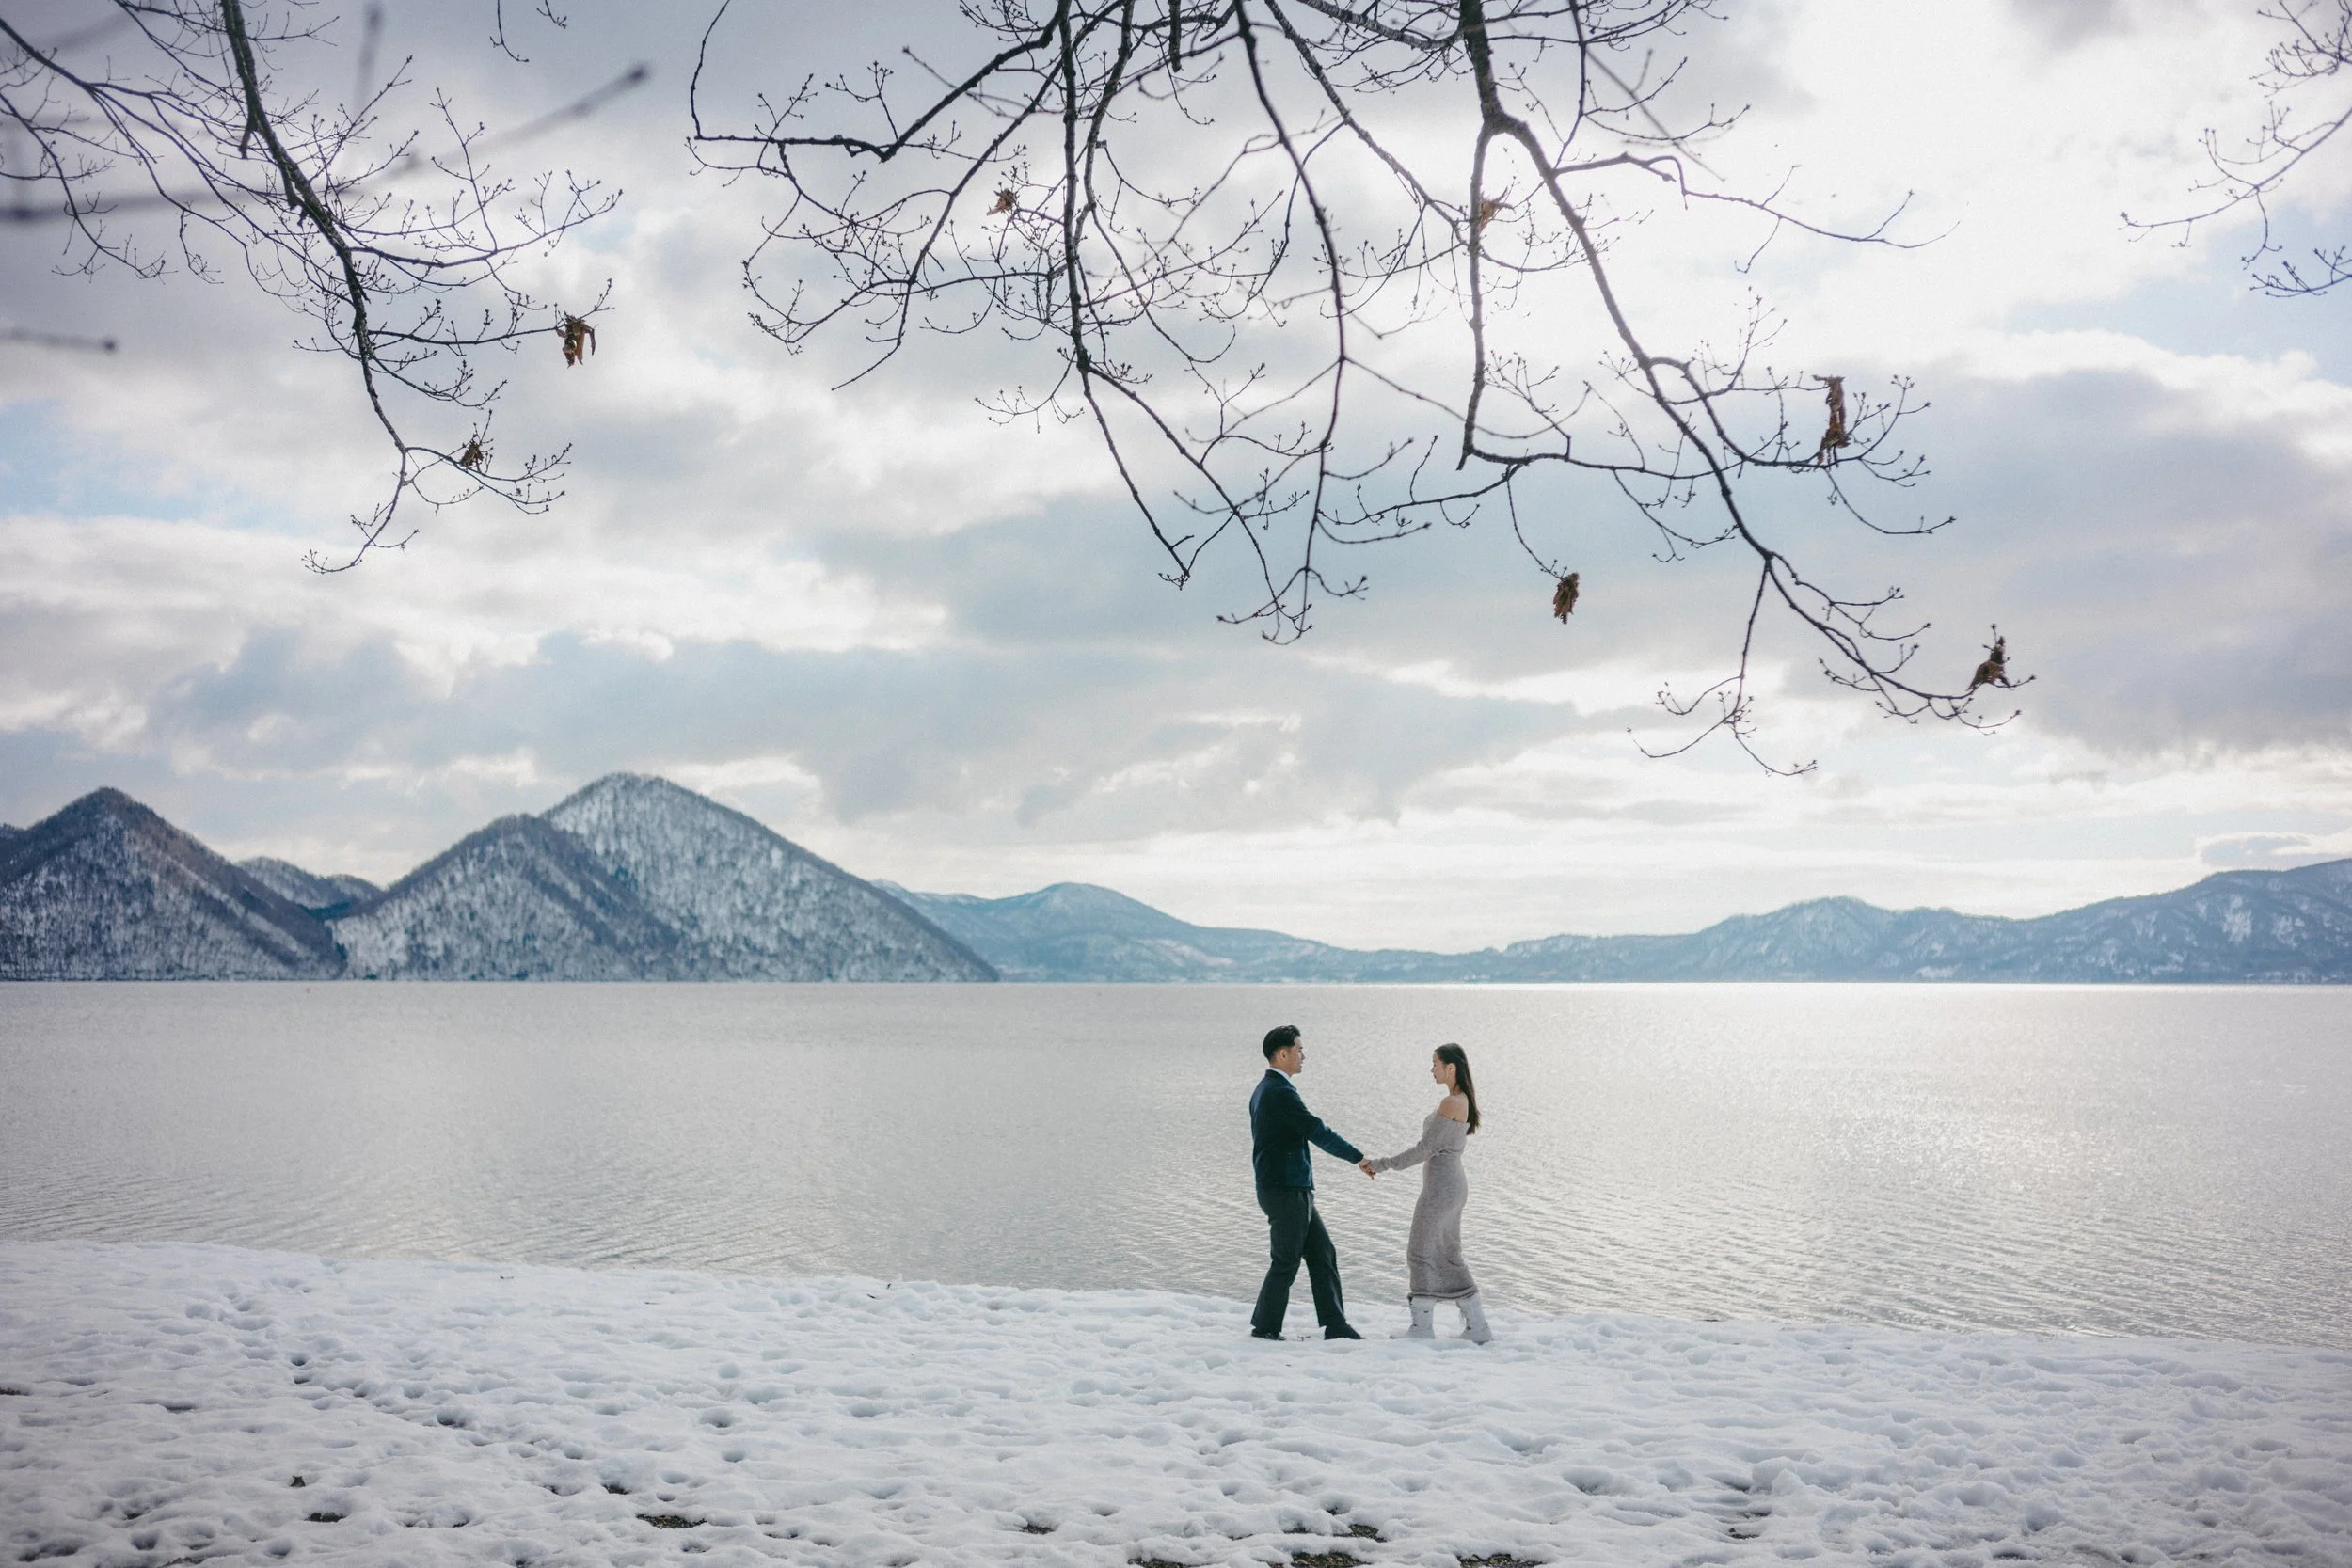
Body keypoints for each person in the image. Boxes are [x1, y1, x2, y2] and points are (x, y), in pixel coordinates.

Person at [1248, 1024, 1375, 1341]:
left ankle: (1335, 1325)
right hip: (1287, 1190)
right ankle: (1265, 1327)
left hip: (1290, 1188)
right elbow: (1317, 1131)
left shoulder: (1268, 1088)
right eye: (1300, 1049)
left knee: (1322, 1253)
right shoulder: (1279, 1092)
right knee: (1286, 1260)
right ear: (1283, 1053)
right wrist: (1357, 1157)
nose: (1304, 1055)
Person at [1363, 1042, 1490, 1343]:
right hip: (1451, 1186)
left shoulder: (1452, 1103)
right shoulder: (1459, 1100)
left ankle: (1422, 1329)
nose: (1431, 1069)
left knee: (1419, 1252)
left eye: (1435, 1064)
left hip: (1441, 1189)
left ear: (1451, 1067)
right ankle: (1477, 1326)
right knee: (1448, 1252)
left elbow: (1425, 1149)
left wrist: (1381, 1165)